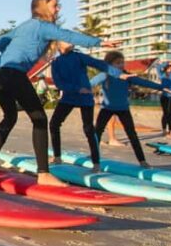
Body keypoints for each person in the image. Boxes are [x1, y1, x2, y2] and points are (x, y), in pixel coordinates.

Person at [0, 0, 118, 186]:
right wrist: (99, 42)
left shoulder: (24, 26)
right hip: (13, 72)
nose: (58, 9)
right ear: (42, 7)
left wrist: (15, 47)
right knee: (39, 119)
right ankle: (44, 174)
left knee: (10, 116)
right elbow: (67, 35)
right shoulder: (43, 26)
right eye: (55, 5)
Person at [49, 42, 131, 171]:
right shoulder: (56, 62)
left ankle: (96, 163)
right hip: (69, 96)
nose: (70, 42)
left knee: (88, 129)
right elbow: (59, 83)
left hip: (85, 97)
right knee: (54, 124)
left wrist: (118, 73)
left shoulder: (79, 56)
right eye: (66, 40)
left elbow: (99, 64)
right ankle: (57, 157)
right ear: (59, 45)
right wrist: (77, 89)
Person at [91, 51, 171, 168]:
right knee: (97, 134)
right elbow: (90, 83)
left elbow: (144, 82)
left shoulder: (127, 76)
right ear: (109, 64)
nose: (121, 65)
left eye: (122, 62)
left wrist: (162, 88)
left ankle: (142, 161)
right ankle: (95, 161)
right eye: (118, 63)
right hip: (106, 108)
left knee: (132, 135)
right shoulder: (105, 75)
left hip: (123, 109)